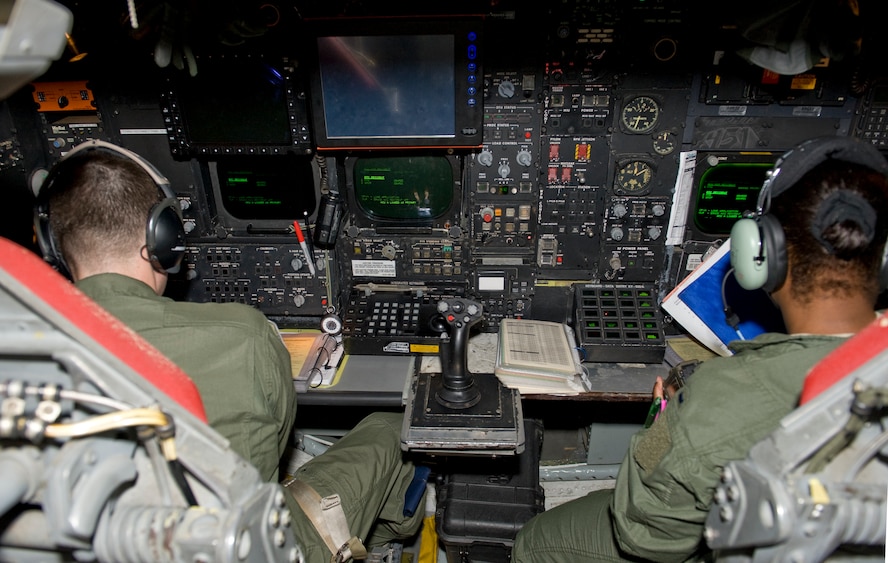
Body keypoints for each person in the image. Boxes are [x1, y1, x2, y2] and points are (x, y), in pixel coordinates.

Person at [34, 140, 425, 563]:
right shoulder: (242, 336)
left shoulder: (20, 348)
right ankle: (388, 543)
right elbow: (278, 442)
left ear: (50, 247)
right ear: (162, 235)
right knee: (388, 425)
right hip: (250, 546)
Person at [511, 135, 888, 563]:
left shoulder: (725, 396)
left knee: (534, 542)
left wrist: (668, 423)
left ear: (757, 253)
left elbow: (645, 537)